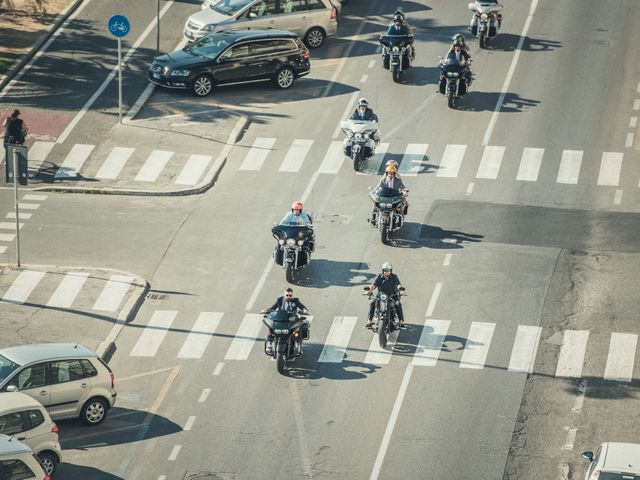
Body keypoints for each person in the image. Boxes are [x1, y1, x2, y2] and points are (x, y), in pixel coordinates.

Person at [262, 288, 310, 353]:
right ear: (284, 295)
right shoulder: (279, 300)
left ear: (292, 295)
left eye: (290, 295)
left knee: (298, 328)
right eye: (287, 295)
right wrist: (267, 310)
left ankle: (297, 343)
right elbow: (272, 308)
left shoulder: (296, 301)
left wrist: (304, 310)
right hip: (281, 319)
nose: (288, 297)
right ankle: (269, 343)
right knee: (271, 329)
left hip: (291, 320)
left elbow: (302, 306)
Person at [366, 263, 405, 329]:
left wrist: (401, 291)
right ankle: (369, 320)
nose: (387, 272)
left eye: (388, 270)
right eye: (385, 270)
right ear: (383, 270)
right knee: (372, 302)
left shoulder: (394, 277)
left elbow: (398, 285)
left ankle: (401, 321)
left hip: (392, 296)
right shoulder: (379, 277)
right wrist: (369, 290)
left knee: (398, 304)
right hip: (381, 296)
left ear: (391, 270)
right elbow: (373, 285)